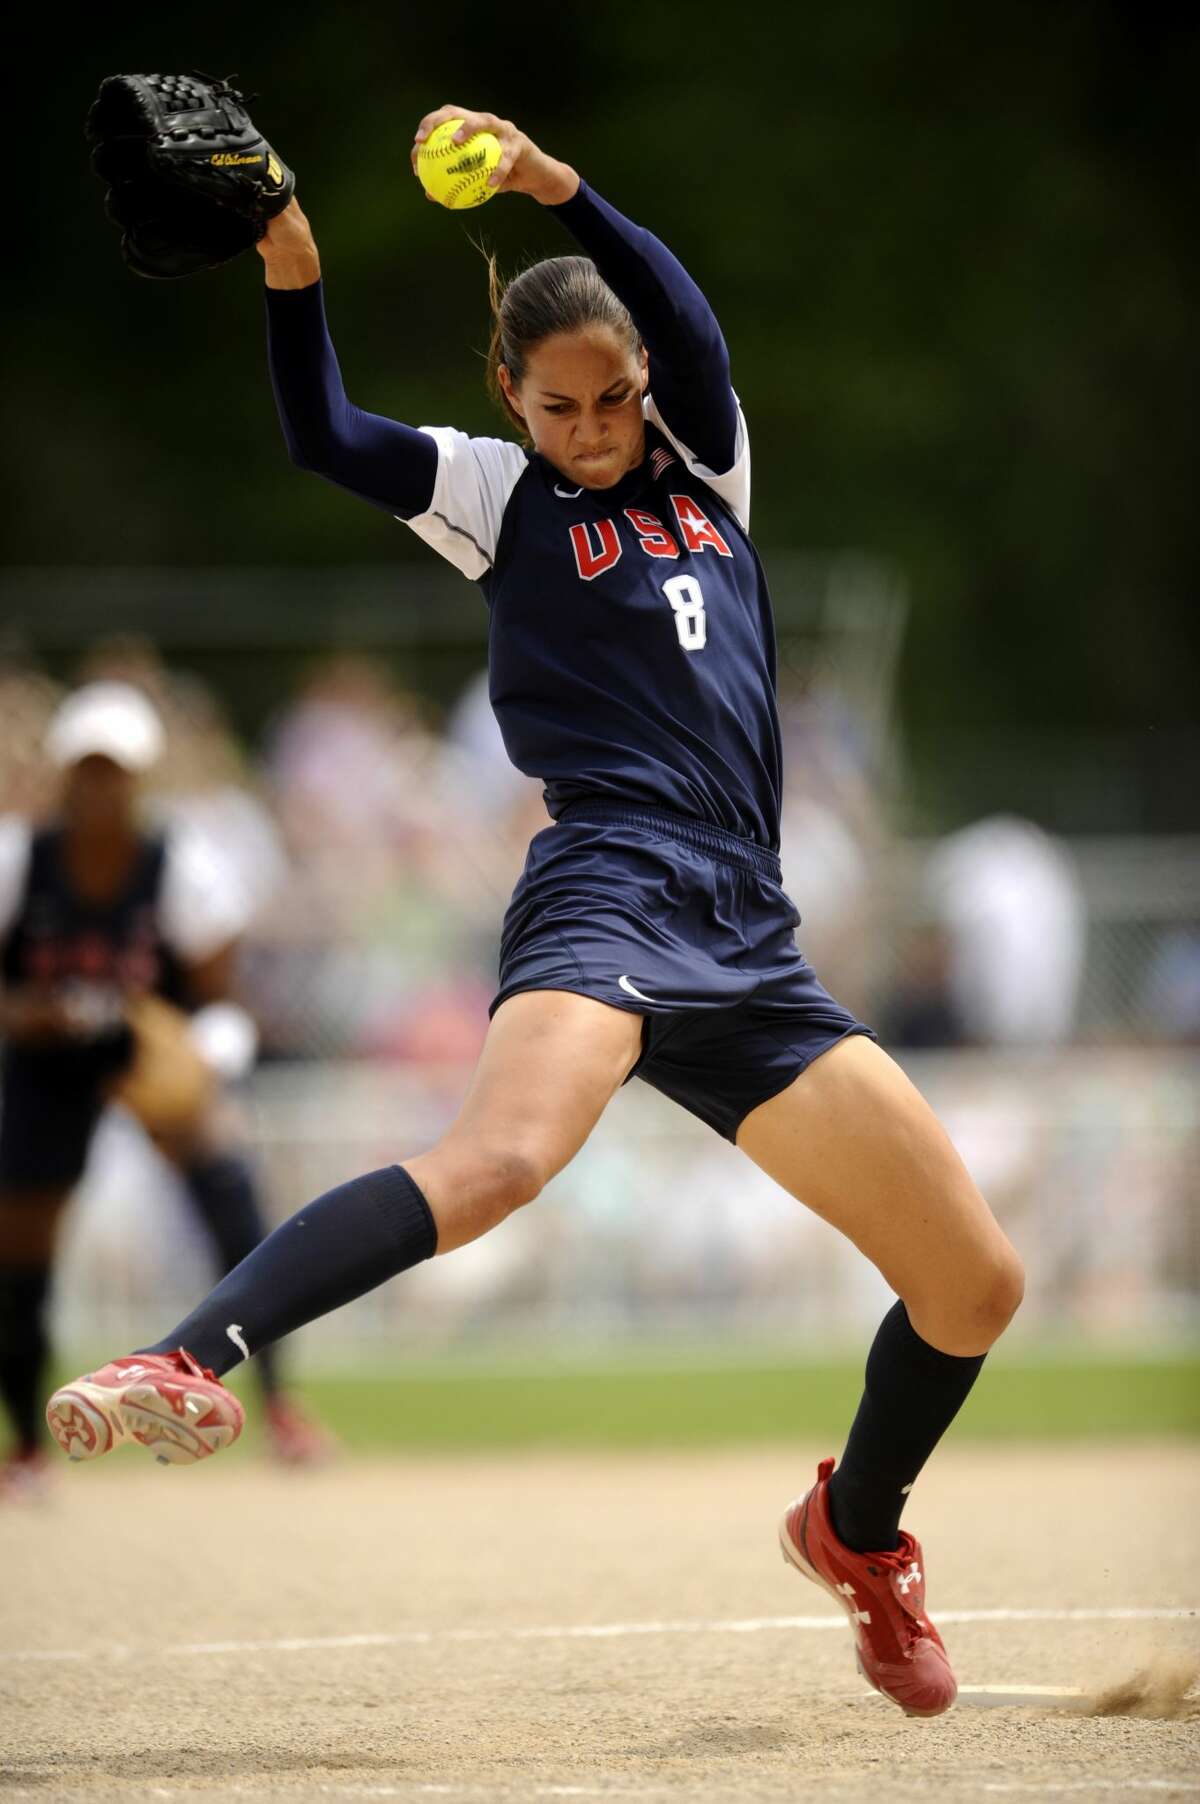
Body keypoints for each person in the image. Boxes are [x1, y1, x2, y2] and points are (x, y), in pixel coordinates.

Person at [47, 110, 1024, 1718]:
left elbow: (687, 323)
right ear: (511, 395)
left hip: (749, 931)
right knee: (498, 1163)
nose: (592, 428)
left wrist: (554, 186)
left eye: (613, 397)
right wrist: (292, 261)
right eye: (559, 404)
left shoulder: (708, 465)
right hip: (611, 882)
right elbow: (325, 435)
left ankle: (856, 1534)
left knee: (974, 1283)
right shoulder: (499, 494)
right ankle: (190, 1355)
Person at [0, 680, 326, 1489]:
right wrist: (36, 1015)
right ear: (66, 774)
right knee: (20, 1240)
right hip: (44, 1062)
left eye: (115, 771)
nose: (101, 787)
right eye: (88, 769)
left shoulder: (180, 867)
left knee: (235, 1199)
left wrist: (202, 1059)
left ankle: (282, 1408)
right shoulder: (17, 862)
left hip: (149, 1056)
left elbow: (222, 1001)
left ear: (139, 779)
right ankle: (28, 1443)